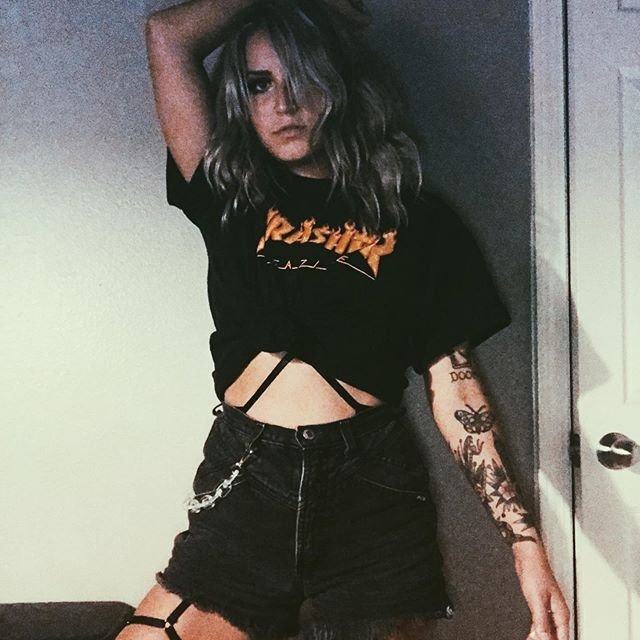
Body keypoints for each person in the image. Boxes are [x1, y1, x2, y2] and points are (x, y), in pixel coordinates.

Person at [118, 1, 570, 639]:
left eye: (303, 77)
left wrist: (525, 545)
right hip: (250, 478)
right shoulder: (229, 192)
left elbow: (456, 387)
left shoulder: (416, 219)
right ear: (240, 102)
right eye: (260, 84)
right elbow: (167, 34)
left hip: (371, 493)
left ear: (338, 85)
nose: (284, 103)